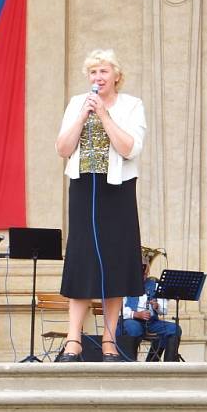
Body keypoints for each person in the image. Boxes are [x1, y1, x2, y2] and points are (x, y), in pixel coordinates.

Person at [55, 48, 146, 362]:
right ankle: (73, 341)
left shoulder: (132, 105)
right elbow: (63, 148)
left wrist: (105, 116)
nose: (98, 78)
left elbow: (130, 148)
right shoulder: (76, 104)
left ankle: (109, 341)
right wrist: (83, 114)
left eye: (103, 72)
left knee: (115, 261)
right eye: (93, 73)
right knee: (81, 259)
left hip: (117, 190)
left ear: (116, 76)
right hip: (83, 187)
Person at [119, 258, 182, 361]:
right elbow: (118, 309)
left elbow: (164, 310)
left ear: (147, 271)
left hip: (151, 323)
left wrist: (157, 306)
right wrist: (135, 314)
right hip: (131, 321)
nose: (143, 276)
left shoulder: (155, 285)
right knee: (133, 328)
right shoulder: (124, 285)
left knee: (174, 329)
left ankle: (159, 363)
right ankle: (130, 362)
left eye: (145, 273)